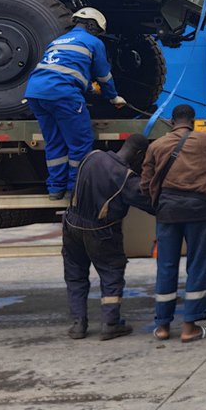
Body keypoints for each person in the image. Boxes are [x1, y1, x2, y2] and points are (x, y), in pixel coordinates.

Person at [141, 104, 206, 343]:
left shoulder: (156, 145)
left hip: (168, 211)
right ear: (193, 121)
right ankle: (190, 326)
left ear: (172, 122)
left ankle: (162, 326)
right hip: (198, 210)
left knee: (166, 266)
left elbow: (145, 182)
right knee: (198, 264)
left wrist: (158, 205)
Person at [24, 7, 127, 200]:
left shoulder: (57, 42)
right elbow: (104, 75)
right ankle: (75, 190)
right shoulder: (93, 42)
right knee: (79, 143)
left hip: (36, 93)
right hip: (62, 94)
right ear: (93, 26)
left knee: (54, 142)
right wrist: (113, 97)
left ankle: (55, 189)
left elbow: (62, 69)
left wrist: (87, 87)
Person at [62, 134, 154, 340]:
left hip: (71, 224)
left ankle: (78, 324)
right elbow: (149, 204)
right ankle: (110, 324)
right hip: (101, 232)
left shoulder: (92, 156)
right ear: (139, 154)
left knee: (75, 274)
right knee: (111, 273)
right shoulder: (126, 178)